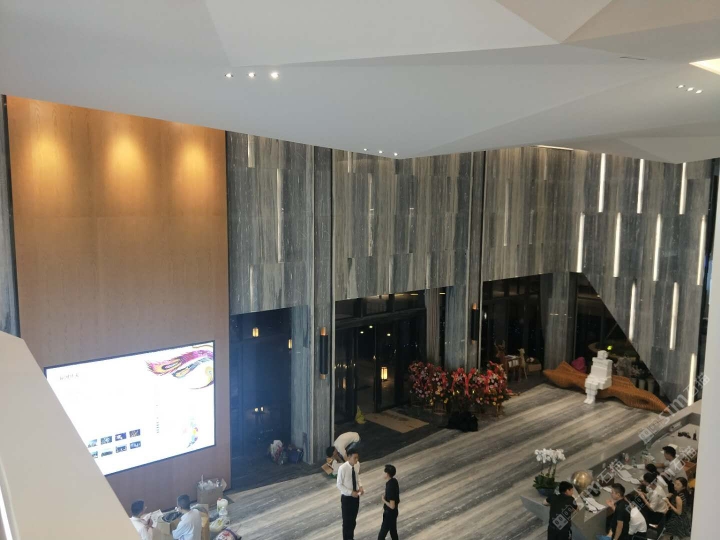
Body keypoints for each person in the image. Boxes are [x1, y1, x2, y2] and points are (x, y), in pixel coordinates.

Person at [337, 448, 364, 540]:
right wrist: (351, 492)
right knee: (346, 522)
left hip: (356, 497)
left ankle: (350, 538)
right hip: (347, 498)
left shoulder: (357, 465)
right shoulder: (342, 468)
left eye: (357, 458)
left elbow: (357, 477)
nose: (357, 460)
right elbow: (339, 484)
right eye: (355, 458)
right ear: (349, 457)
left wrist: (360, 486)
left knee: (353, 521)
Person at [378, 464, 400, 540]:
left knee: (381, 536)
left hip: (389, 514)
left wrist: (384, 500)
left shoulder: (390, 487)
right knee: (393, 532)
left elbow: (392, 506)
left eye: (383, 472)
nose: (382, 473)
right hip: (394, 512)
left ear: (387, 474)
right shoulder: (394, 481)